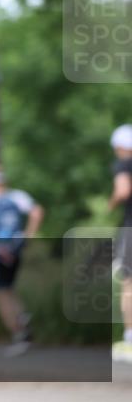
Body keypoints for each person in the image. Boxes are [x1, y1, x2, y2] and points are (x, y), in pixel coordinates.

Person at [0, 165, 44, 357]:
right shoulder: (18, 196)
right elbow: (37, 212)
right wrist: (28, 235)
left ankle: (18, 331)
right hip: (17, 247)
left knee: (1, 291)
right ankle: (22, 319)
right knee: (9, 287)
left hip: (0, 249)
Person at [108, 124, 132, 364]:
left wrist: (112, 201)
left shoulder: (124, 164)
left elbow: (123, 190)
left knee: (129, 282)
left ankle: (130, 339)